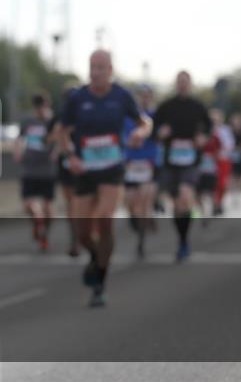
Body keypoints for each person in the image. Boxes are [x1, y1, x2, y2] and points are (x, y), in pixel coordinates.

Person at [60, 50, 152, 307]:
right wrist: (71, 156)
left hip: (112, 168)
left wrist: (141, 133)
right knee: (82, 233)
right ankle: (94, 256)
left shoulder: (121, 95)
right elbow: (62, 132)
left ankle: (100, 282)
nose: (95, 72)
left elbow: (144, 122)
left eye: (100, 67)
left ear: (110, 69)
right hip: (84, 169)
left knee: (104, 219)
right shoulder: (78, 98)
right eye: (92, 67)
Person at [153, 71, 211, 262]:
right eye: (179, 82)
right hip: (171, 161)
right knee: (177, 205)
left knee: (186, 196)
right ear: (175, 84)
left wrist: (203, 138)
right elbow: (153, 128)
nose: (182, 85)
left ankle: (184, 241)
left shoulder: (197, 106)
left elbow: (209, 128)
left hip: (191, 160)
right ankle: (182, 239)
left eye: (185, 82)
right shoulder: (167, 106)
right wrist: (160, 133)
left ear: (190, 84)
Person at [15, 92, 59, 252]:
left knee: (48, 208)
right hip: (30, 168)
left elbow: (61, 139)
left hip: (47, 170)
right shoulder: (27, 121)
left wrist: (56, 152)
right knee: (28, 204)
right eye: (38, 107)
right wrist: (18, 151)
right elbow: (20, 138)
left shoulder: (53, 122)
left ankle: (44, 233)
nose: (41, 110)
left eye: (43, 106)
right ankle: (37, 222)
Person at [122, 84, 159, 258]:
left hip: (148, 164)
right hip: (131, 164)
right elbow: (122, 135)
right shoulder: (129, 118)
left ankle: (141, 243)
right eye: (141, 95)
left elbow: (161, 136)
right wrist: (128, 142)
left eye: (147, 95)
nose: (144, 98)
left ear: (151, 97)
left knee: (144, 202)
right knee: (129, 202)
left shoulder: (155, 117)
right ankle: (137, 222)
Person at [55, 80, 83, 256]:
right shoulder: (59, 116)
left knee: (79, 203)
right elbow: (49, 136)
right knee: (71, 204)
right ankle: (75, 239)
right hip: (66, 164)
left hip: (84, 163)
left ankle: (83, 234)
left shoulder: (87, 113)